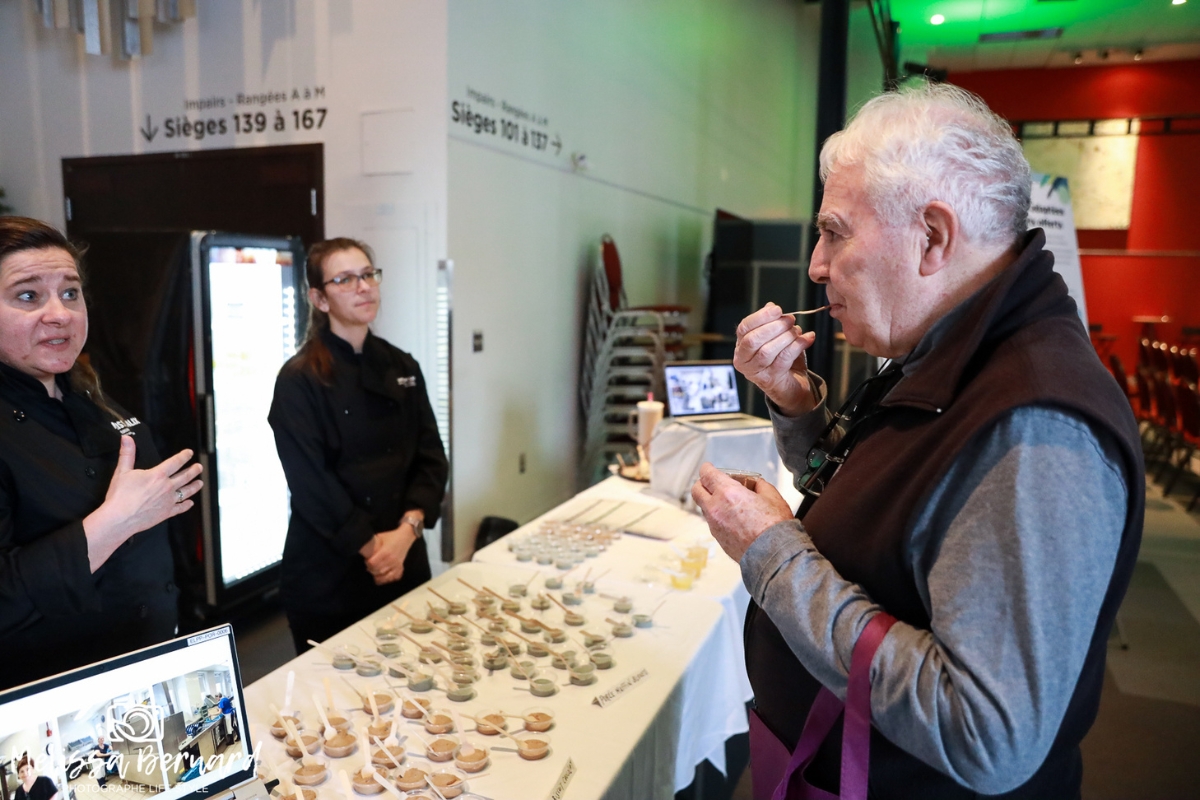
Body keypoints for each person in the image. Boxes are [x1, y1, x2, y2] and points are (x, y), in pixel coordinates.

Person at [692, 82, 1144, 798]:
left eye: (835, 231)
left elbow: (986, 733)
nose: (815, 263)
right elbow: (882, 510)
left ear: (933, 237)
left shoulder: (1034, 425)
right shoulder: (954, 354)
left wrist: (772, 556)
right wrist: (795, 402)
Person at [0, 217, 203, 691]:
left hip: (147, 665)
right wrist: (116, 521)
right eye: (28, 296)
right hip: (57, 698)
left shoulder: (88, 394)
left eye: (70, 293)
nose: (60, 314)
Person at [269, 237, 448, 654]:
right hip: (330, 575)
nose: (364, 287)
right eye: (345, 279)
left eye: (368, 275)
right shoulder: (298, 381)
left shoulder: (402, 366)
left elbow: (432, 458)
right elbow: (312, 485)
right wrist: (374, 549)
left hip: (403, 559)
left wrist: (405, 535)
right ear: (320, 298)